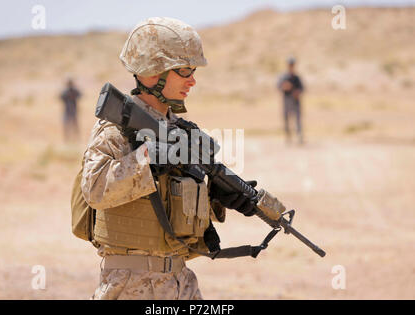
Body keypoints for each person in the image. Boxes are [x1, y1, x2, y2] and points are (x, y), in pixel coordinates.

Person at [80, 17, 285, 300]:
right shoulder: (116, 130)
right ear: (153, 71)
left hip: (181, 282)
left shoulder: (181, 131)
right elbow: (94, 189)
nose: (193, 80)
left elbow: (175, 203)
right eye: (185, 70)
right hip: (130, 285)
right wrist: (149, 159)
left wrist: (220, 196)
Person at [277, 57, 304, 144]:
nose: (291, 66)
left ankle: (299, 137)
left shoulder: (296, 77)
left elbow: (302, 88)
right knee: (286, 120)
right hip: (287, 100)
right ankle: (288, 137)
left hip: (295, 101)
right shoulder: (283, 77)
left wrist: (297, 92)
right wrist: (285, 87)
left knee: (297, 120)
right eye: (290, 64)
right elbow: (278, 87)